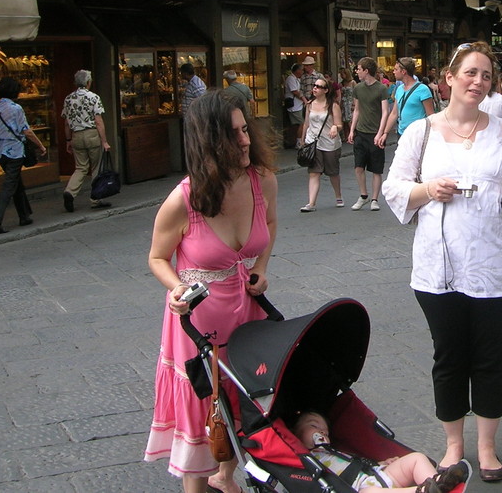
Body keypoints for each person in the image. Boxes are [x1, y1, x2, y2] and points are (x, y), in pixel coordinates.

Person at [382, 41, 502, 484]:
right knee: (449, 357)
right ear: (449, 78)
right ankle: (453, 445)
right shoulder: (421, 132)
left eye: (486, 75)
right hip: (438, 268)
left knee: (491, 357)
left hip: (499, 263)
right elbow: (394, 188)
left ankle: (487, 447)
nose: (478, 82)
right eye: (470, 73)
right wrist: (428, 190)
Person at [144, 89, 277, 493]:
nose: (245, 140)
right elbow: (156, 258)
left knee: (241, 401)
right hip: (197, 323)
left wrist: (261, 268)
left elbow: (269, 226)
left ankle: (226, 477)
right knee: (203, 411)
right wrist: (176, 289)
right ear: (209, 142)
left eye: (245, 129)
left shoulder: (263, 182)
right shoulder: (183, 200)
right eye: (233, 134)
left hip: (246, 315)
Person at [291, 411, 470, 493]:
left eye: (325, 431)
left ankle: (438, 482)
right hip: (359, 488)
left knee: (416, 459)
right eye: (313, 426)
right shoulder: (304, 460)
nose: (322, 432)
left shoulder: (335, 452)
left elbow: (360, 463)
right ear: (296, 436)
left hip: (376, 474)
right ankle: (422, 491)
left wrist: (382, 465)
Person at [0, 76, 48, 234]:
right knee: (8, 187)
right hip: (15, 151)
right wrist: (41, 145)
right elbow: (27, 131)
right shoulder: (16, 109)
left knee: (15, 182)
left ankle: (24, 215)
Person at [61, 69, 111, 213]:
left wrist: (68, 140)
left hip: (76, 135)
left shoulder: (68, 99)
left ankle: (70, 191)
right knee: (96, 168)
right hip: (92, 135)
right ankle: (95, 199)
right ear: (88, 82)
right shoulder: (93, 97)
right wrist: (105, 141)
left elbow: (65, 123)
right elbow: (98, 121)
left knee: (80, 168)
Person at [348, 57, 390, 211]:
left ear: (366, 71)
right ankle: (363, 195)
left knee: (376, 169)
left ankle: (374, 199)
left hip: (375, 133)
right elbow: (357, 110)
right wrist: (352, 130)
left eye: (359, 68)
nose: (356, 71)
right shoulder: (358, 88)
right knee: (358, 167)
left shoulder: (381, 89)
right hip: (361, 132)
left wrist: (380, 133)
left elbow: (385, 112)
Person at [300, 78, 344, 212]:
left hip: (330, 143)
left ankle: (338, 196)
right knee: (314, 172)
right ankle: (311, 203)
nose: (315, 88)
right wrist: (302, 140)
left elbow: (339, 124)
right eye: (314, 86)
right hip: (313, 142)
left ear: (326, 90)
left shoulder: (333, 106)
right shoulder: (309, 104)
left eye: (319, 87)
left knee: (332, 172)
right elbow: (306, 124)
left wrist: (335, 128)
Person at [379, 58, 435, 145]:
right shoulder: (400, 89)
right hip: (401, 133)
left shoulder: (423, 89)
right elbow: (394, 113)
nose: (393, 72)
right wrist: (385, 133)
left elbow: (430, 115)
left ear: (403, 71)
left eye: (396, 69)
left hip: (417, 135)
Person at [284, 63, 305, 149]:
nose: (303, 72)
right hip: (294, 106)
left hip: (299, 105)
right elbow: (295, 91)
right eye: (302, 70)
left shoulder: (297, 79)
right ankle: (299, 142)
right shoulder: (291, 79)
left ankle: (296, 140)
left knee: (297, 124)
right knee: (302, 123)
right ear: (297, 70)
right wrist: (304, 99)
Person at [338, 66, 356, 136]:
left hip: (350, 102)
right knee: (344, 119)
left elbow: (355, 93)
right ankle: (346, 134)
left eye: (343, 74)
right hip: (344, 102)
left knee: (350, 119)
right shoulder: (341, 84)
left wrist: (354, 103)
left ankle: (352, 133)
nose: (342, 76)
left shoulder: (352, 82)